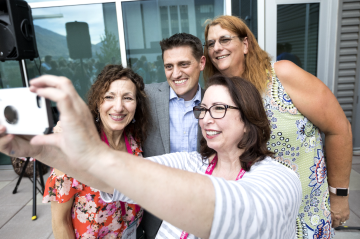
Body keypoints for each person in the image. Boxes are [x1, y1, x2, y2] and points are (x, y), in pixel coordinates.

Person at [0, 74, 301, 239]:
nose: (207, 119)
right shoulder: (193, 163)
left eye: (219, 109)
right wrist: (40, 150)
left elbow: (241, 215)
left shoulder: (280, 177)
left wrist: (93, 152)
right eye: (202, 110)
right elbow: (116, 180)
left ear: (249, 118)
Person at [202, 15, 353, 237]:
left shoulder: (281, 75)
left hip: (305, 213)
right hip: (260, 217)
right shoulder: (220, 95)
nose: (217, 48)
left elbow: (339, 129)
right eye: (211, 43)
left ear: (245, 44)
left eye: (224, 39)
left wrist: (338, 195)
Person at [42, 65, 150, 238]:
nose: (119, 107)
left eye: (128, 98)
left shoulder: (134, 140)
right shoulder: (75, 147)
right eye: (109, 97)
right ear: (98, 102)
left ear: (137, 104)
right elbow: (60, 221)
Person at [141, 33, 205, 238]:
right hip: (158, 215)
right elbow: (113, 109)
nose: (176, 74)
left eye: (184, 64)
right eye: (169, 66)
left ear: (201, 63)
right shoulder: (146, 97)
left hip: (204, 211)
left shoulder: (217, 99)